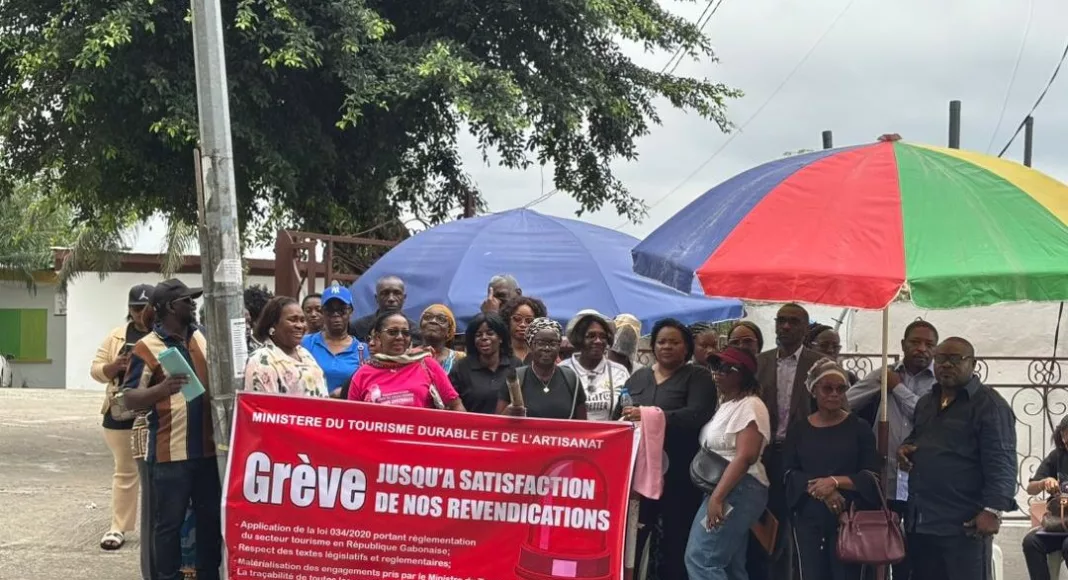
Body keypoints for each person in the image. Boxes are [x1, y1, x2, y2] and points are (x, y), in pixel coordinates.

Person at [123, 279, 221, 580]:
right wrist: (162, 389)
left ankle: (209, 574)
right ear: (168, 307)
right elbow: (129, 398)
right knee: (167, 525)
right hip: (169, 453)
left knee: (210, 520)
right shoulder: (146, 346)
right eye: (186, 301)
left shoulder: (202, 337)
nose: (193, 305)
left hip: (207, 451)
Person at [898, 337, 1017, 580]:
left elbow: (1002, 459)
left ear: (973, 364)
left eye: (956, 359)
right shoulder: (926, 402)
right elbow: (916, 438)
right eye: (941, 359)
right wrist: (905, 449)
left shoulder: (989, 405)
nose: (946, 365)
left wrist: (992, 510)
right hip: (922, 520)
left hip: (964, 524)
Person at [618, 318, 717, 580]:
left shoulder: (698, 377)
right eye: (661, 342)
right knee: (635, 534)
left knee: (675, 534)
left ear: (686, 348)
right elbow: (623, 409)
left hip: (680, 471)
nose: (667, 347)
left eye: (674, 342)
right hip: (640, 472)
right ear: (652, 347)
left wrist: (650, 415)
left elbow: (697, 414)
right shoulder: (639, 376)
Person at [847, 319, 938, 579]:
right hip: (883, 474)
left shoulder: (939, 383)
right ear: (903, 345)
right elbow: (846, 402)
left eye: (929, 344)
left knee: (914, 553)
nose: (922, 349)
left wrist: (896, 388)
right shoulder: (883, 374)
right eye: (915, 342)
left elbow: (926, 415)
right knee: (877, 549)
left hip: (922, 479)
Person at [784, 358, 881, 580]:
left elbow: (872, 476)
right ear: (814, 390)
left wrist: (835, 482)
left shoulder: (859, 428)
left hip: (850, 518)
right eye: (827, 388)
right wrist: (823, 489)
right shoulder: (799, 430)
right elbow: (789, 473)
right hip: (809, 518)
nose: (834, 394)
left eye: (841, 389)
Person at [685, 346, 770, 580]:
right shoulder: (728, 404)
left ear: (743, 374)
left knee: (702, 559)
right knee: (731, 565)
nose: (717, 373)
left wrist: (717, 498)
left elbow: (745, 456)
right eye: (715, 366)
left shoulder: (751, 405)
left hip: (738, 489)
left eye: (726, 368)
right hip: (730, 488)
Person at [756, 303, 822, 580]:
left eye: (793, 321)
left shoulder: (819, 363)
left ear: (805, 328)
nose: (785, 326)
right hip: (764, 455)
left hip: (804, 458)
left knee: (801, 529)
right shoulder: (761, 362)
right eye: (781, 320)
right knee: (766, 526)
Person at [91, 283, 155, 553]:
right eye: (136, 308)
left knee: (157, 473)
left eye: (145, 308)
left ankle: (157, 527)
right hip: (119, 411)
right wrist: (113, 367)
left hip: (155, 410)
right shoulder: (117, 336)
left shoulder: (163, 335)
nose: (140, 314)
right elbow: (95, 369)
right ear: (130, 309)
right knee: (125, 471)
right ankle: (118, 527)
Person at [347, 312, 465, 411]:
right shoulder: (362, 375)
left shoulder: (426, 364)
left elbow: (455, 405)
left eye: (405, 333)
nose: (400, 337)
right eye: (392, 332)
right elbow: (351, 419)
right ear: (378, 337)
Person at [498, 318, 586, 420]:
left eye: (553, 343)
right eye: (540, 343)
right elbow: (496, 426)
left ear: (559, 346)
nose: (547, 348)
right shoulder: (515, 379)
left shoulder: (572, 379)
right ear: (530, 345)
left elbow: (582, 426)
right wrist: (507, 413)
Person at [244, 297, 326, 397]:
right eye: (293, 320)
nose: (300, 326)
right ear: (273, 324)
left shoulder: (304, 354)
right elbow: (265, 408)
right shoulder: (260, 361)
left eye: (302, 320)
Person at [559, 310, 630, 421]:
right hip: (572, 437)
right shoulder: (562, 370)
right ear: (580, 339)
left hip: (609, 437)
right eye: (591, 336)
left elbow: (627, 410)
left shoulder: (619, 372)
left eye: (602, 336)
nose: (598, 341)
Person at [302, 284, 368, 398]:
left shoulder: (364, 350)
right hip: (311, 412)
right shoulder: (305, 344)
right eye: (330, 310)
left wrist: (345, 391)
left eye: (341, 310)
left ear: (350, 311)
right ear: (322, 312)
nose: (336, 314)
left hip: (347, 412)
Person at [1022, 415, 1068, 580]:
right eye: (1066, 441)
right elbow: (1030, 488)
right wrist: (1044, 482)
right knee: (1031, 542)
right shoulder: (1057, 456)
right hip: (1058, 525)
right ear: (1062, 437)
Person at [449, 313, 521, 414]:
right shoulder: (461, 367)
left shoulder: (516, 365)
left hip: (508, 429)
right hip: (471, 428)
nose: (484, 338)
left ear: (501, 338)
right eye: (478, 335)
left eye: (490, 333)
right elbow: (450, 404)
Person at [349, 275, 421, 343]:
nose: (391, 299)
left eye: (397, 293)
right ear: (376, 298)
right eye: (385, 293)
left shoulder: (414, 330)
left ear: (404, 298)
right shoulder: (358, 327)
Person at [499, 296, 548, 364]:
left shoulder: (543, 352)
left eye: (529, 320)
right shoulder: (499, 351)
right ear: (507, 320)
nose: (523, 324)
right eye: (517, 319)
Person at [420, 304, 464, 373]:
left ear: (449, 330)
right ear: (421, 327)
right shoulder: (409, 356)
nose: (433, 321)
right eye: (428, 317)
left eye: (441, 319)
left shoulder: (460, 359)